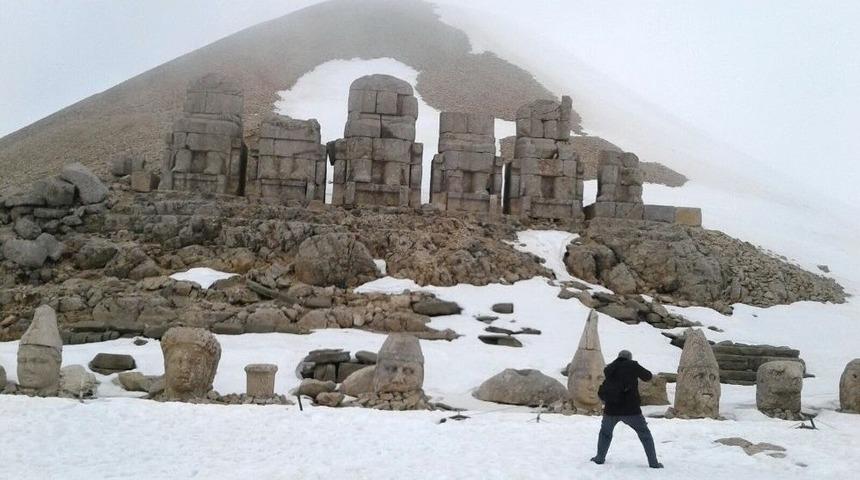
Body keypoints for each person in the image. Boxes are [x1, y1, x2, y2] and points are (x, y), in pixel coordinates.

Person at [590, 350, 664, 469]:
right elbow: (648, 376)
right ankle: (653, 463)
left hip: (611, 410)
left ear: (618, 357)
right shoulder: (632, 365)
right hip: (631, 410)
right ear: (629, 358)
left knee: (605, 433)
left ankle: (599, 458)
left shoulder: (609, 368)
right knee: (644, 434)